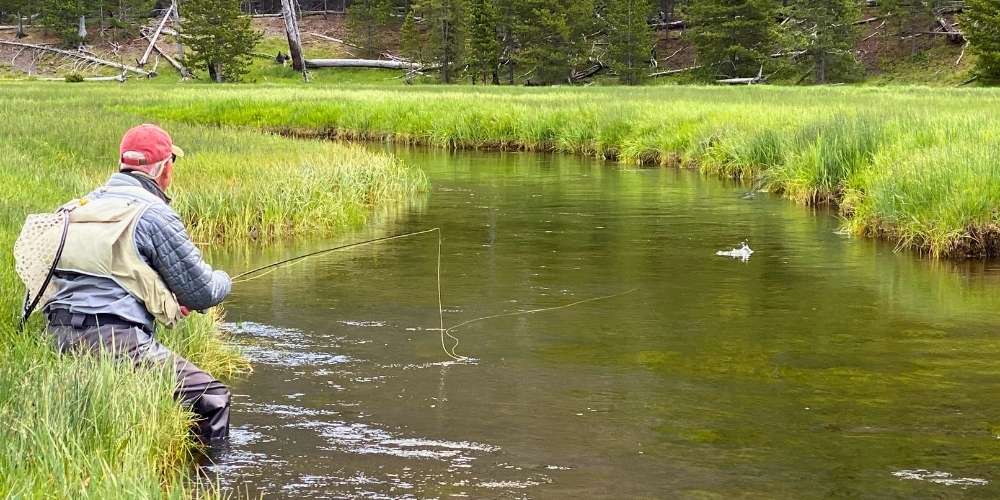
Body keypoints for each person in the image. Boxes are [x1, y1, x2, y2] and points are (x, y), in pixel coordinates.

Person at [43, 124, 233, 443]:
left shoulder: (76, 208)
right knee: (212, 399)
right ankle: (205, 484)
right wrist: (225, 280)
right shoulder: (154, 214)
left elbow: (107, 273)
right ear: (163, 170)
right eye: (172, 163)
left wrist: (166, 295)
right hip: (116, 341)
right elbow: (202, 293)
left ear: (123, 164)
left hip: (56, 335)